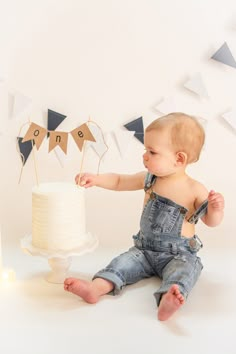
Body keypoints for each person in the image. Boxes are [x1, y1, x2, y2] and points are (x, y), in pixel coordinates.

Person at [64, 112, 224, 321]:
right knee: (122, 264)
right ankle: (96, 288)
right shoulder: (150, 179)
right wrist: (97, 179)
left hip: (179, 253)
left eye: (152, 151)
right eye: (145, 150)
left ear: (179, 158)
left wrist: (216, 209)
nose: (144, 156)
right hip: (144, 250)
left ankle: (170, 296)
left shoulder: (194, 189)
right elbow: (120, 181)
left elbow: (211, 222)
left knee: (185, 271)